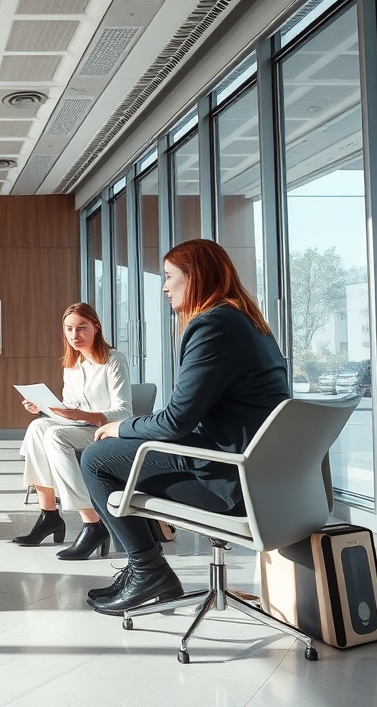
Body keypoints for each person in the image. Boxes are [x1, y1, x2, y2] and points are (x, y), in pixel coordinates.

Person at [81, 238, 289, 615]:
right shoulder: (246, 320)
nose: (163, 286)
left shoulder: (214, 325)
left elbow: (177, 421)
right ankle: (144, 570)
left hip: (231, 482)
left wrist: (122, 427)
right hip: (264, 478)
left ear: (196, 278)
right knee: (114, 454)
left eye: (169, 276)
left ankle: (147, 570)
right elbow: (192, 412)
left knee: (96, 458)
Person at [14, 303, 132, 560]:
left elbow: (123, 412)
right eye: (69, 329)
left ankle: (92, 523)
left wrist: (80, 415)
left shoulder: (113, 360)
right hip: (78, 426)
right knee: (37, 426)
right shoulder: (72, 364)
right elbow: (70, 407)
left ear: (96, 328)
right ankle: (49, 515)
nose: (74, 335)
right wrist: (44, 408)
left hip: (105, 429)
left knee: (55, 436)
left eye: (81, 328)